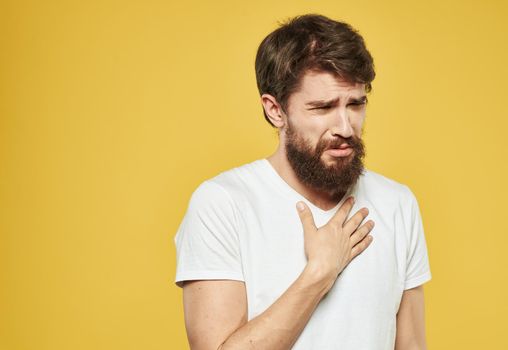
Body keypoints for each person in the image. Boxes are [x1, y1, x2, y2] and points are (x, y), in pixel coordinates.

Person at [173, 13, 432, 350]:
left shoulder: (397, 203)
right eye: (323, 107)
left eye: (356, 103)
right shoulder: (222, 204)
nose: (345, 126)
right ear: (275, 110)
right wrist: (320, 273)